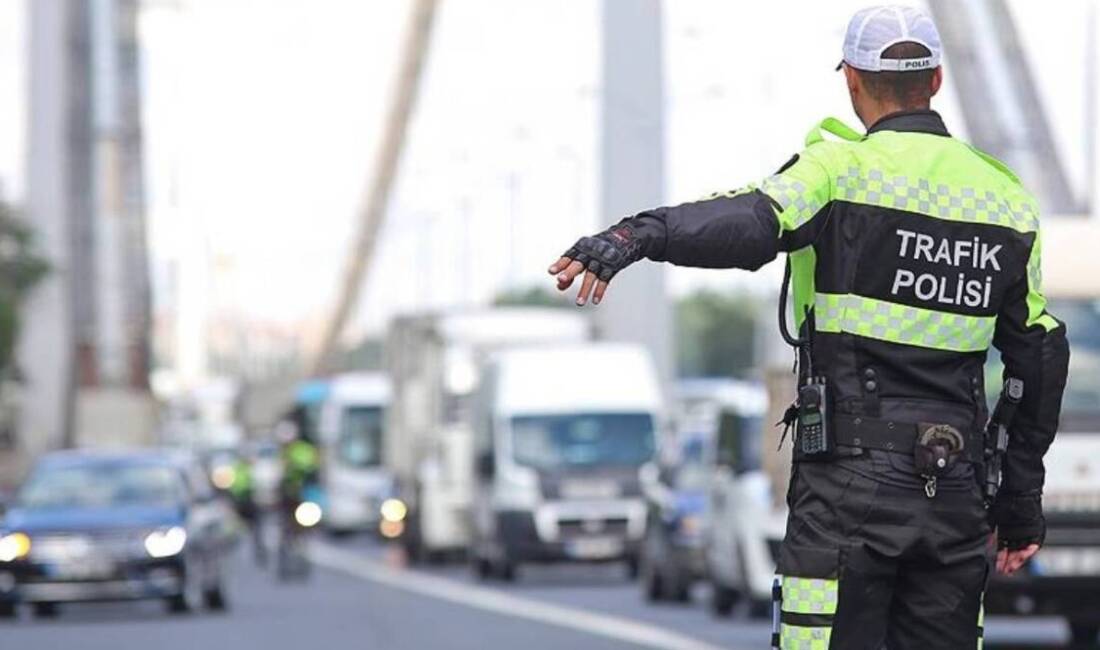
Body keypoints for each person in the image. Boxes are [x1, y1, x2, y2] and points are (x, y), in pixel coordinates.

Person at [548, 6, 1069, 649]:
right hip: (954, 495)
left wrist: (637, 235)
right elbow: (1039, 359)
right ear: (936, 80)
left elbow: (747, 223)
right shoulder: (1005, 200)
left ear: (852, 79)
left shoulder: (836, 170)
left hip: (848, 495)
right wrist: (1020, 504)